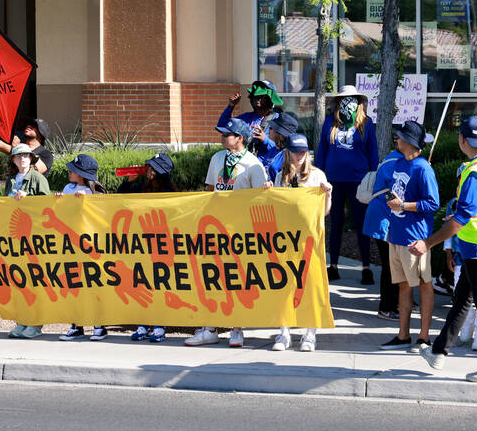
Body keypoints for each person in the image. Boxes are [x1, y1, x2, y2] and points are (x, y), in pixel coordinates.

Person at [416, 115, 477, 384]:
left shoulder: (476, 173)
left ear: (462, 140)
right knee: (462, 300)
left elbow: (462, 218)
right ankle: (438, 352)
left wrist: (428, 243)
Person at [186, 117, 268, 347]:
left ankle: (236, 329)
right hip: (214, 227)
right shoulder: (217, 158)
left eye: (226, 135)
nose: (221, 138)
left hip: (239, 231)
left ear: (239, 139)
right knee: (211, 277)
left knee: (236, 279)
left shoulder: (253, 164)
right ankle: (209, 327)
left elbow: (259, 200)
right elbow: (210, 190)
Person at [378, 121, 440, 352]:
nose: (397, 139)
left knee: (424, 284)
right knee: (403, 285)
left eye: (400, 137)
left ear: (411, 142)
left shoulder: (424, 168)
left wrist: (403, 204)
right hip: (396, 235)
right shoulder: (399, 163)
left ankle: (424, 337)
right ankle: (403, 335)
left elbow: (433, 203)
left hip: (416, 238)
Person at [267, 133, 332, 351]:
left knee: (310, 285)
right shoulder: (280, 177)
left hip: (310, 239)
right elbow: (275, 211)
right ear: (288, 152)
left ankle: (309, 333)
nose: (299, 156)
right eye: (295, 152)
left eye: (303, 152)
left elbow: (324, 212)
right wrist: (269, 194)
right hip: (287, 239)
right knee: (285, 285)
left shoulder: (317, 175)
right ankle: (284, 332)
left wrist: (328, 195)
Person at [316, 85, 379, 284]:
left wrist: (373, 177)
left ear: (358, 102)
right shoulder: (329, 123)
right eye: (344, 99)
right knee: (335, 224)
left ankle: (366, 267)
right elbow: (322, 151)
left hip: (358, 181)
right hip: (333, 180)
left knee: (362, 225)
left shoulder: (367, 124)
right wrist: (318, 176)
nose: (347, 102)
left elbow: (373, 153)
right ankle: (333, 265)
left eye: (351, 99)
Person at [123, 153, 176, 343]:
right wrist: (129, 182)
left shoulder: (170, 194)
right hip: (141, 246)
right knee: (142, 285)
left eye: (152, 168)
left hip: (162, 247)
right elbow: (119, 201)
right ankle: (143, 325)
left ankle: (159, 327)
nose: (148, 171)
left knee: (159, 287)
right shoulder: (141, 188)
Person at [58, 153, 109, 342]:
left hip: (92, 247)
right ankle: (77, 325)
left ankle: (99, 325)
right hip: (71, 245)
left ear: (83, 174)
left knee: (93, 285)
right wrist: (59, 200)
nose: (70, 171)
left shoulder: (96, 191)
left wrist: (87, 202)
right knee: (75, 285)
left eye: (74, 169)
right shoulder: (68, 188)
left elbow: (103, 215)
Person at [4, 144, 51, 340]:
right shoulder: (10, 180)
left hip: (34, 237)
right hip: (15, 237)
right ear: (13, 160)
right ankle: (21, 321)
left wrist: (28, 198)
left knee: (34, 280)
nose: (22, 159)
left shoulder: (38, 178)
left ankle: (35, 324)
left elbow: (47, 206)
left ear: (31, 159)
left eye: (26, 155)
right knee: (19, 281)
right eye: (19, 156)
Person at [362, 148, 402, 319]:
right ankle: (387, 307)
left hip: (381, 217)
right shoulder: (398, 163)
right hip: (384, 219)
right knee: (391, 264)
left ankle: (396, 302)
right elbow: (392, 193)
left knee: (391, 263)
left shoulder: (392, 158)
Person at [217, 80, 283, 168]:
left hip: (263, 170)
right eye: (255, 96)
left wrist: (265, 140)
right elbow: (222, 126)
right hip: (243, 168)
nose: (257, 99)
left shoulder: (278, 119)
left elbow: (281, 150)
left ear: (270, 99)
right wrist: (231, 106)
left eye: (261, 96)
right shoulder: (246, 117)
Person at [263, 111, 301, 183]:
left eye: (272, 128)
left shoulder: (290, 155)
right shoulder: (274, 149)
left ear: (280, 134)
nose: (269, 129)